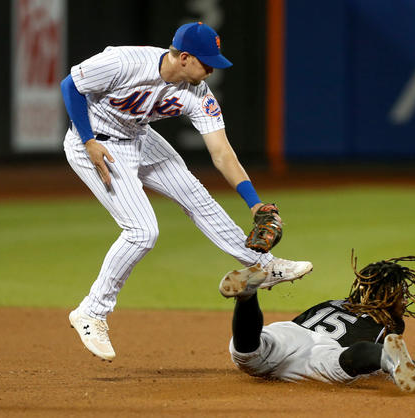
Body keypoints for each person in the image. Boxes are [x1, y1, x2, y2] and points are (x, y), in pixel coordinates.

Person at [61, 22, 313, 361]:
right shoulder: (125, 62)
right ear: (183, 57)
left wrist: (254, 204)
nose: (211, 69)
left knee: (196, 195)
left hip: (138, 138)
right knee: (142, 231)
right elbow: (71, 85)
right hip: (93, 143)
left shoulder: (198, 93)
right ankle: (92, 311)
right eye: (205, 62)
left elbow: (222, 153)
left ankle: (263, 266)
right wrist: (88, 139)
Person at [219, 253, 415, 392]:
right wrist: (412, 367)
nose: (404, 299)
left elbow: (299, 324)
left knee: (250, 349)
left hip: (290, 332)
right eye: (400, 293)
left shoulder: (333, 302)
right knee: (347, 360)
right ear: (387, 296)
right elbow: (354, 352)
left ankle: (248, 297)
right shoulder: (387, 321)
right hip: (324, 352)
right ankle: (386, 356)